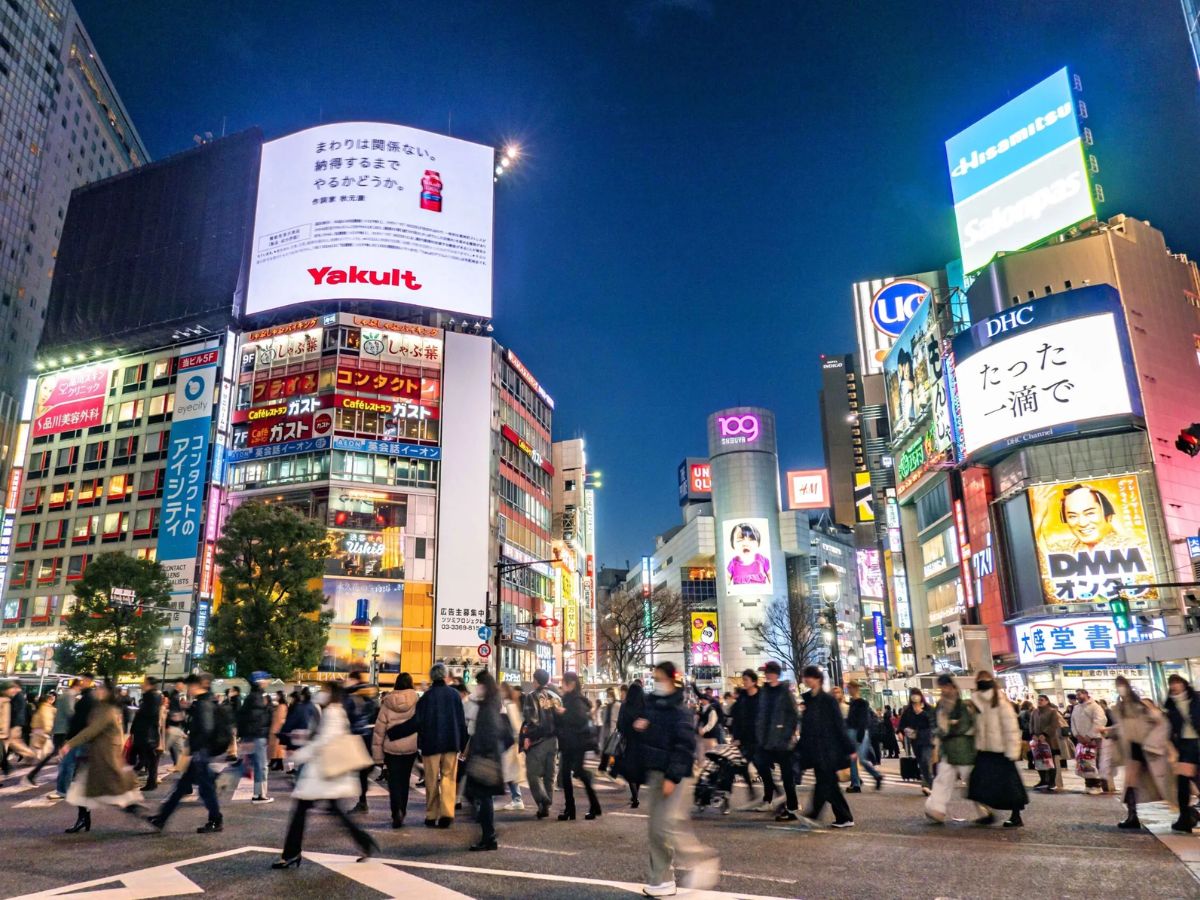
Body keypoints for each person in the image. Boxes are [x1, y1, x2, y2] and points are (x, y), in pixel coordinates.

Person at [630, 661, 717, 896]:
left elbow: (684, 745)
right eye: (655, 678)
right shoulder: (653, 706)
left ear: (670, 680)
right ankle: (660, 879)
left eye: (660, 678)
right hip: (656, 772)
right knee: (656, 829)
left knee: (667, 827)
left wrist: (673, 776)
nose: (657, 683)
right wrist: (642, 725)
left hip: (674, 777)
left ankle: (701, 860)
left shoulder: (680, 710)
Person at [271, 681, 379, 870]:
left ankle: (291, 853)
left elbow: (323, 741)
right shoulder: (332, 710)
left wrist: (299, 756)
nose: (320, 693)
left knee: (301, 811)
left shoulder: (332, 712)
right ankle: (365, 843)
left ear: (331, 694)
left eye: (324, 690)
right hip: (324, 775)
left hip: (323, 773)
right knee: (332, 812)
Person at [58, 680, 145, 833]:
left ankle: (140, 813)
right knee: (82, 789)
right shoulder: (105, 708)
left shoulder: (107, 710)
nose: (97, 691)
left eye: (100, 689)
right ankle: (83, 819)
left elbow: (92, 730)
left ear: (107, 693)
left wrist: (69, 744)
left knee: (112, 792)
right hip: (97, 754)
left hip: (104, 756)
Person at [147, 672, 228, 834]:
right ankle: (161, 818)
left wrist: (194, 750)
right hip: (199, 752)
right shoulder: (203, 702)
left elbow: (205, 729)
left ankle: (215, 819)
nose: (188, 689)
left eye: (190, 685)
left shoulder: (204, 704)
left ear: (198, 686)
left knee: (205, 789)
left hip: (200, 753)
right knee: (183, 787)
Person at [964, 670, 1026, 828]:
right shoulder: (976, 702)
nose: (983, 683)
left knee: (1008, 785)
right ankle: (988, 812)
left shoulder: (999, 701)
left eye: (985, 680)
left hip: (999, 750)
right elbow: (974, 727)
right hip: (986, 750)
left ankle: (1015, 816)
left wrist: (1012, 751)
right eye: (981, 680)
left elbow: (1010, 727)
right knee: (978, 783)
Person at [1108, 675, 1171, 830]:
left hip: (1150, 748)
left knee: (1168, 783)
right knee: (1130, 782)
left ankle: (1187, 811)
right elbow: (1123, 728)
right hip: (1133, 749)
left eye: (1122, 685)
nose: (1120, 688)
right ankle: (1132, 816)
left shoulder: (1141, 705)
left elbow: (1159, 722)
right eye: (1118, 685)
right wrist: (1109, 731)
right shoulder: (1118, 708)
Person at [798, 666, 857, 828]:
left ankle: (813, 815)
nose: (807, 679)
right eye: (806, 676)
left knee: (823, 783)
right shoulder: (810, 701)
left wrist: (850, 748)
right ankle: (845, 817)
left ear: (818, 679)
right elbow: (807, 728)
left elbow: (839, 726)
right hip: (817, 750)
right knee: (830, 786)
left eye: (809, 676)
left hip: (828, 749)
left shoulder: (828, 700)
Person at [924, 674, 986, 823]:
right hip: (949, 749)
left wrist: (947, 728)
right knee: (943, 779)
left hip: (964, 748)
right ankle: (936, 809)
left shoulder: (963, 705)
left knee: (971, 780)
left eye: (945, 686)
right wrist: (941, 731)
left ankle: (984, 809)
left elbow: (964, 725)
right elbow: (935, 724)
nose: (943, 690)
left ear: (952, 687)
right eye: (941, 687)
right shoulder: (940, 705)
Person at [463, 671, 514, 852]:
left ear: (484, 685)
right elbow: (506, 736)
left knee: (481, 798)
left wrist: (483, 752)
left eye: (479, 684)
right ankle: (488, 834)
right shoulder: (492, 703)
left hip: (485, 759)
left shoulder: (489, 706)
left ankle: (489, 836)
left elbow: (490, 732)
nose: (477, 687)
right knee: (479, 797)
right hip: (489, 758)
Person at [415, 662, 468, 828]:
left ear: (432, 677)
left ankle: (431, 814)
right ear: (445, 676)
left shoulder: (426, 697)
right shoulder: (454, 695)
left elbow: (419, 722)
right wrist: (464, 742)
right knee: (449, 778)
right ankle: (447, 814)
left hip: (431, 744)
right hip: (451, 742)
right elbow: (461, 721)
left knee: (431, 779)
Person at [373, 672, 419, 828]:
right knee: (405, 781)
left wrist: (378, 757)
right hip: (410, 747)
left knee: (393, 782)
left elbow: (379, 731)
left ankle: (395, 812)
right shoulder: (416, 701)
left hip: (391, 748)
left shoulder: (387, 702)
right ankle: (403, 811)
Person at [754, 660, 799, 819]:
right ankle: (773, 797)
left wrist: (787, 733)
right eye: (767, 673)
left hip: (782, 740)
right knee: (762, 767)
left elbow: (794, 714)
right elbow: (760, 714)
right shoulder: (764, 692)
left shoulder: (785, 691)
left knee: (787, 776)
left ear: (777, 674)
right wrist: (759, 733)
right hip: (766, 740)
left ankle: (792, 806)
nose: (768, 675)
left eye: (771, 672)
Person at [556, 671, 601, 821]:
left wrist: (564, 713)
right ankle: (575, 808)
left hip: (575, 743)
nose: (562, 685)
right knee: (570, 774)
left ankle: (576, 808)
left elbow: (580, 719)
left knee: (573, 774)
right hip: (570, 743)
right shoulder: (570, 699)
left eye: (564, 682)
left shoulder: (575, 700)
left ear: (571, 684)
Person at [520, 668, 561, 818]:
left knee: (533, 774)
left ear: (536, 680)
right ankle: (545, 807)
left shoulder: (532, 696)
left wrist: (527, 738)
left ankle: (543, 799)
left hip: (538, 740)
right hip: (554, 740)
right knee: (550, 775)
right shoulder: (556, 696)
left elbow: (531, 719)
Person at [1164, 674, 1200, 833]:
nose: (1175, 686)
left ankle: (1187, 817)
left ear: (1184, 684)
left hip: (1197, 743)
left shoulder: (1196, 699)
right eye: (1172, 684)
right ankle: (1184, 817)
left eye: (1177, 683)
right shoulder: (1171, 705)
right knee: (1183, 784)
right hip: (1184, 747)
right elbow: (1169, 728)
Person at [343, 670, 379, 814]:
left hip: (358, 736)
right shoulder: (371, 693)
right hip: (369, 735)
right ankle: (362, 800)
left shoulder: (352, 695)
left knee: (360, 771)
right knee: (362, 770)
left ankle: (362, 801)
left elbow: (348, 714)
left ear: (354, 679)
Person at [238, 672, 274, 804]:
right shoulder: (260, 698)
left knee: (251, 765)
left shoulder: (251, 697)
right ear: (259, 681)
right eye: (265, 679)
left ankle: (258, 793)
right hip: (259, 736)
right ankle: (260, 795)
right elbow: (262, 718)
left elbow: (242, 717)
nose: (268, 681)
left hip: (251, 736)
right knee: (261, 766)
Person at [729, 669, 761, 806]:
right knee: (743, 766)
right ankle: (753, 794)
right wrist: (735, 737)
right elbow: (736, 718)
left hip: (759, 739)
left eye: (746, 680)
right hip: (744, 739)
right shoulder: (742, 699)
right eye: (743, 680)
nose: (744, 682)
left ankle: (775, 796)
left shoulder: (762, 697)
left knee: (762, 767)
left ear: (754, 681)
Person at [845, 681, 883, 792]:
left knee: (860, 759)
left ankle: (875, 776)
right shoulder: (853, 703)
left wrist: (860, 734)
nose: (849, 690)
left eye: (849, 688)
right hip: (853, 731)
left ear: (855, 688)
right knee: (853, 759)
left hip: (859, 732)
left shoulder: (862, 703)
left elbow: (863, 720)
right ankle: (856, 784)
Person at [1070, 687, 1107, 795]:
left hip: (1093, 739)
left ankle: (1097, 785)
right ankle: (1088, 784)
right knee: (1083, 762)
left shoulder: (1095, 707)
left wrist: (1089, 735)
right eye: (1076, 695)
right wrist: (1076, 734)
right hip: (1081, 739)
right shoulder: (1076, 708)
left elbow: (1100, 721)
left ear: (1086, 694)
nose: (1077, 697)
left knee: (1093, 762)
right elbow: (1073, 722)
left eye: (1079, 694)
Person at [616, 680, 646, 808]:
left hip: (628, 742)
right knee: (639, 769)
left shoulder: (625, 705)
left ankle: (634, 796)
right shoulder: (645, 706)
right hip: (642, 742)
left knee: (629, 770)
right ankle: (636, 794)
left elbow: (619, 725)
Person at [130, 676, 163, 792]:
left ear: (150, 684)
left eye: (144, 682)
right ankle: (150, 781)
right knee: (147, 758)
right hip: (146, 733)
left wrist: (136, 728)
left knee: (147, 758)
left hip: (146, 734)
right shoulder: (151, 697)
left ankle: (150, 782)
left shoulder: (151, 697)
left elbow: (149, 716)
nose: (142, 684)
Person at [899, 688, 935, 792]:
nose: (915, 697)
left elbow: (932, 722)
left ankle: (928, 784)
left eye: (916, 694)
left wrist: (921, 712)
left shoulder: (928, 709)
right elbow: (902, 724)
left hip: (927, 739)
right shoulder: (908, 711)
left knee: (925, 760)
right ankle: (928, 784)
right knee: (921, 762)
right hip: (915, 740)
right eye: (913, 695)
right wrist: (900, 732)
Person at [1028, 695, 1067, 792]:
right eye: (1038, 700)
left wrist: (1045, 734)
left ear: (1047, 701)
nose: (1039, 702)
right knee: (1038, 761)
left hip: (1049, 740)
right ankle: (1043, 780)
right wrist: (1033, 734)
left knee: (1050, 761)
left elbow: (1054, 724)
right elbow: (1031, 724)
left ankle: (1051, 782)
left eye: (1041, 700)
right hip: (1037, 741)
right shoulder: (1035, 712)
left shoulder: (1052, 711)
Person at [500, 682, 525, 809]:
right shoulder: (511, 704)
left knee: (508, 771)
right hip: (510, 742)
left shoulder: (508, 706)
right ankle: (516, 798)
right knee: (509, 772)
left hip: (508, 743)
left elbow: (516, 726)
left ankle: (517, 799)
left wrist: (516, 740)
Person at [726, 522, 770, 588]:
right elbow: (726, 583)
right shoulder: (733, 563)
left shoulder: (762, 560)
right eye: (740, 540)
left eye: (751, 540)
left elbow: (772, 580)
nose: (746, 544)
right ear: (733, 544)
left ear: (758, 543)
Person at [164, 679, 189, 765]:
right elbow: (175, 712)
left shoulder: (176, 695)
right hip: (173, 727)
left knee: (179, 748)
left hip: (176, 727)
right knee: (164, 749)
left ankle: (178, 765)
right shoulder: (174, 696)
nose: (184, 687)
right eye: (183, 685)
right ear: (178, 684)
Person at [28, 692, 56, 764]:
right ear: (48, 700)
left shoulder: (41, 707)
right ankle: (54, 759)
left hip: (37, 730)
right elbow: (46, 719)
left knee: (39, 747)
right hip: (42, 730)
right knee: (46, 748)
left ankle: (32, 760)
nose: (53, 701)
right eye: (51, 699)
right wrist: (48, 730)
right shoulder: (46, 708)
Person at [599, 687, 621, 774]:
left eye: (609, 695)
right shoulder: (605, 706)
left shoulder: (618, 705)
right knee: (606, 748)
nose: (608, 696)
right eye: (607, 695)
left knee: (612, 750)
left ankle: (606, 767)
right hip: (606, 729)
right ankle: (604, 767)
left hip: (614, 730)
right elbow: (603, 718)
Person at [696, 692, 723, 759]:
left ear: (707, 700)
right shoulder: (703, 709)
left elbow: (711, 723)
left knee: (712, 752)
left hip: (712, 733)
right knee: (707, 752)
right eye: (701, 699)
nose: (701, 701)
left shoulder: (711, 710)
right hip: (706, 734)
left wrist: (703, 730)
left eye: (703, 699)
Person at [269, 690, 288, 771]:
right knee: (277, 748)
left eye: (277, 695)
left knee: (278, 748)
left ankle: (278, 764)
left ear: (280, 696)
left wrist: (275, 730)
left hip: (277, 730)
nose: (275, 697)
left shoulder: (282, 706)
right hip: (277, 729)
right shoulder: (280, 706)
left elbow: (279, 719)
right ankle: (276, 763)